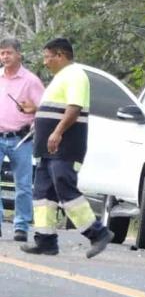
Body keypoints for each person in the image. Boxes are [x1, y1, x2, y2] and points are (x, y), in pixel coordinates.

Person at [19, 37, 113, 258]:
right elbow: (55, 109)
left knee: (64, 185)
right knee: (42, 193)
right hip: (48, 148)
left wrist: (58, 131)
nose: (45, 62)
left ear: (60, 55)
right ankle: (45, 240)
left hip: (65, 145)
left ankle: (97, 233)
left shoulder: (75, 75)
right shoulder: (60, 78)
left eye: (47, 57)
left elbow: (74, 108)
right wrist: (35, 109)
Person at [0, 38, 45, 242]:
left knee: (24, 185)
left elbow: (44, 109)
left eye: (8, 52)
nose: (5, 57)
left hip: (21, 139)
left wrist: (35, 125)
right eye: (2, 53)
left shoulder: (31, 81)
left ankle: (21, 226)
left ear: (19, 54)